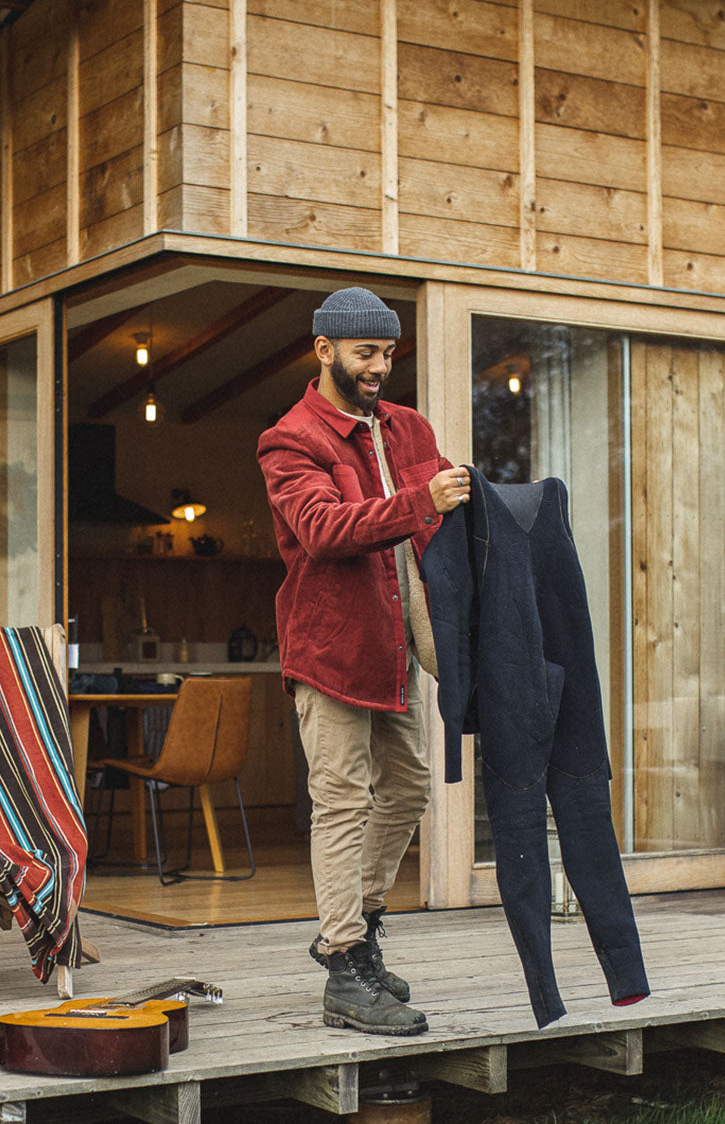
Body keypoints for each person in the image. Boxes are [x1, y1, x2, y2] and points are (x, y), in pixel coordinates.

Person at [257, 286, 469, 1036]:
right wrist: (422, 502)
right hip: (330, 647)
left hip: (399, 647)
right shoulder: (290, 440)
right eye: (365, 354)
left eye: (387, 353)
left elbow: (449, 514)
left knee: (409, 786)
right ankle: (345, 967)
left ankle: (355, 926)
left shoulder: (409, 428)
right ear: (324, 351)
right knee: (342, 799)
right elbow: (321, 529)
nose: (380, 367)